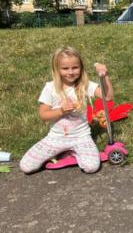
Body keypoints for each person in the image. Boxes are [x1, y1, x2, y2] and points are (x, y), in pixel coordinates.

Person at [19, 46, 113, 174]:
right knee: (26, 166)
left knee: (91, 167)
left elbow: (108, 97)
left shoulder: (84, 85)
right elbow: (43, 115)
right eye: (65, 68)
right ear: (57, 69)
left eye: (75, 67)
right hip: (56, 138)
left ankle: (71, 153)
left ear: (81, 68)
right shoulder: (50, 88)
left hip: (81, 137)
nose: (70, 72)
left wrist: (105, 75)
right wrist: (61, 111)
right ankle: (63, 151)